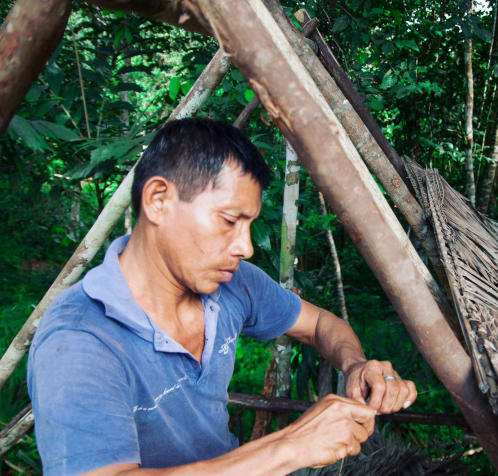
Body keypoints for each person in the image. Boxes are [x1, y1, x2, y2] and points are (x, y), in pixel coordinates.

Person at [27, 118, 417, 475]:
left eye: (249, 225)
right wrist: (288, 447)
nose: (245, 247)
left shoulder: (233, 284)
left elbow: (320, 324)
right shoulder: (79, 340)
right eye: (229, 221)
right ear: (158, 200)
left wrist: (354, 365)